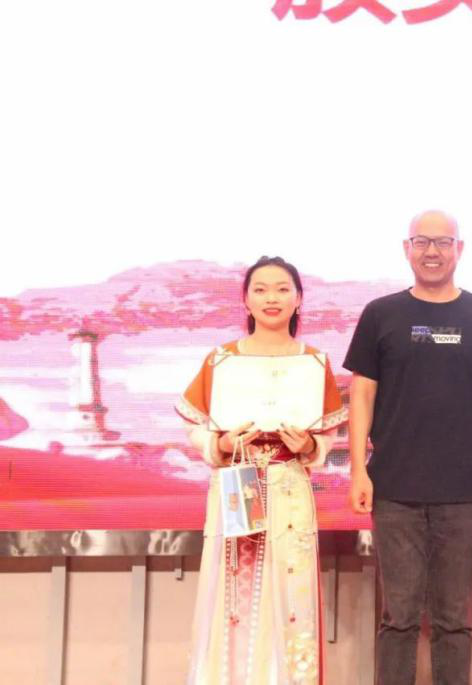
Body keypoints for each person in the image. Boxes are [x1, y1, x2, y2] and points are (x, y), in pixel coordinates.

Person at [343, 210, 472, 685]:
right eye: (422, 242)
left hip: (463, 492)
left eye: (443, 242)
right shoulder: (381, 314)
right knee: (399, 617)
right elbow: (362, 393)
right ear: (407, 249)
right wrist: (358, 469)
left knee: (452, 619)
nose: (432, 252)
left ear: (459, 250)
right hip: (394, 490)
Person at [177, 256, 347, 685]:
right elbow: (195, 426)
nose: (272, 298)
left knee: (291, 593)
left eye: (283, 289)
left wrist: (309, 446)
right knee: (231, 593)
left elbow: (327, 434)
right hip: (237, 482)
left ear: (299, 299)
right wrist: (219, 444)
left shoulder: (314, 362)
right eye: (261, 289)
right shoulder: (221, 360)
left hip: (289, 486)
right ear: (246, 300)